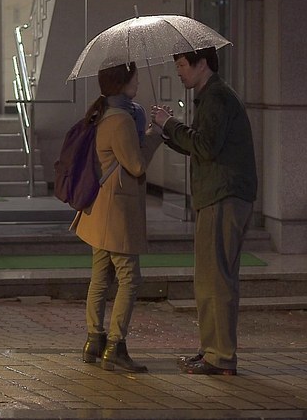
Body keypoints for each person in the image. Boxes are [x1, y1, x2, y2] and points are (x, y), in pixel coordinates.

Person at [150, 47, 257, 376]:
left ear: (202, 64)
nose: (179, 71)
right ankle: (212, 350)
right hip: (220, 195)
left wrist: (170, 124)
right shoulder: (212, 96)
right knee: (210, 278)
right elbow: (200, 143)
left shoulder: (217, 98)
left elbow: (205, 147)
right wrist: (168, 131)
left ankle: (220, 356)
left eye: (182, 64)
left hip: (223, 196)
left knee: (216, 280)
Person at [75, 62, 163, 373]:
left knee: (100, 277)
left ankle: (93, 340)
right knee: (129, 278)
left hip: (99, 210)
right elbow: (136, 165)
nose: (138, 81)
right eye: (134, 77)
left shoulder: (104, 113)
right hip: (117, 212)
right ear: (123, 82)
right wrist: (155, 134)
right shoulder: (121, 119)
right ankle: (116, 345)